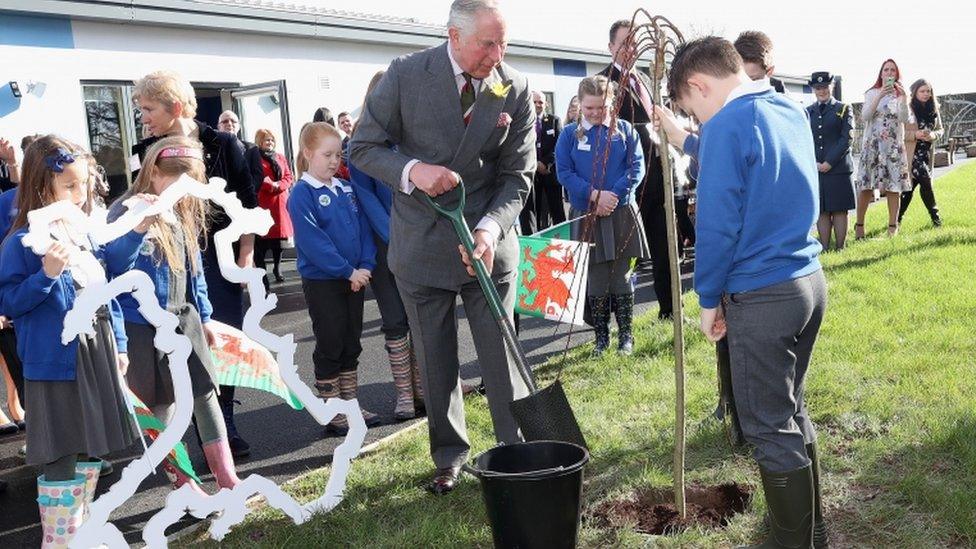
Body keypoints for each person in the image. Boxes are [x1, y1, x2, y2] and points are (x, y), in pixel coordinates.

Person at [350, 0, 534, 495]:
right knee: (436, 361)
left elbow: (518, 177)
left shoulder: (513, 87)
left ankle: (516, 453)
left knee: (501, 359)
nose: (497, 55)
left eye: (504, 43)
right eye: (486, 44)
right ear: (453, 36)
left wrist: (490, 230)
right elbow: (362, 148)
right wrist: (413, 173)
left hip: (487, 247)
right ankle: (449, 455)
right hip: (422, 246)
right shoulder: (405, 76)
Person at [668, 36, 828, 548]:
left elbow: (716, 226)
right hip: (807, 281)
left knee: (767, 426)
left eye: (692, 108)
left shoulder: (724, 127)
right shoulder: (789, 109)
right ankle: (812, 530)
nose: (697, 119)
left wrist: (708, 299)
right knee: (792, 409)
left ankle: (791, 542)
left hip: (761, 296)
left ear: (699, 84)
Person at [0, 135, 140, 545]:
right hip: (54, 358)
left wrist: (120, 344)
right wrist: (44, 275)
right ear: (44, 188)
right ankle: (58, 540)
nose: (80, 196)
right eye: (69, 186)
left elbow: (105, 285)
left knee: (89, 443)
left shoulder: (83, 233)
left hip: (95, 350)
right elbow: (8, 299)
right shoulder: (22, 239)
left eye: (84, 185)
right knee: (63, 447)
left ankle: (79, 530)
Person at [131, 70, 257, 457]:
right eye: (140, 110)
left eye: (148, 108)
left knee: (217, 339)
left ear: (176, 107)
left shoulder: (223, 144)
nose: (143, 117)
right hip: (168, 259)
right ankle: (181, 432)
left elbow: (248, 203)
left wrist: (246, 256)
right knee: (174, 346)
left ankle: (223, 425)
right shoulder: (145, 152)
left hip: (218, 259)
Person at [107, 135, 243, 494]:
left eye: (190, 185)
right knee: (159, 406)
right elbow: (114, 265)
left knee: (204, 393)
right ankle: (183, 484)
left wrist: (207, 316)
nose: (182, 193)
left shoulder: (183, 211)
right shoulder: (125, 209)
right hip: (141, 327)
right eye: (175, 182)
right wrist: (138, 228)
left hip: (184, 320)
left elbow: (193, 269)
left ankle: (227, 477)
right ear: (152, 172)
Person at [289, 122, 381, 434]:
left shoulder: (346, 189)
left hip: (356, 279)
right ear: (307, 153)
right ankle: (332, 411)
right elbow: (314, 242)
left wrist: (365, 266)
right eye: (327, 154)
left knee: (350, 342)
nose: (334, 161)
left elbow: (365, 231)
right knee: (330, 343)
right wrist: (347, 271)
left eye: (338, 155)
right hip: (325, 282)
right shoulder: (301, 194)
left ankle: (350, 405)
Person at [347, 71, 425, 421]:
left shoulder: (413, 136)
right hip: (384, 244)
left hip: (420, 237)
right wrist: (396, 236)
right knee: (394, 318)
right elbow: (365, 197)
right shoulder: (360, 143)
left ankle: (426, 388)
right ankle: (405, 395)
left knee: (423, 316)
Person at [556, 75, 648, 356]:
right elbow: (564, 172)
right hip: (587, 214)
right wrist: (595, 195)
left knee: (621, 275)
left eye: (602, 108)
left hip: (620, 211)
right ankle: (601, 338)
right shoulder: (569, 135)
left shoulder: (625, 131)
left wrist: (613, 195)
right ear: (580, 105)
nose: (596, 114)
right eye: (589, 109)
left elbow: (636, 168)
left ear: (613, 104)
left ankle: (626, 337)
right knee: (595, 279)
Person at [599, 18, 674, 320]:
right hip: (624, 180)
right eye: (624, 43)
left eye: (633, 42)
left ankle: (669, 308)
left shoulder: (644, 79)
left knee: (663, 244)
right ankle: (615, 320)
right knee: (621, 253)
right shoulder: (603, 82)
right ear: (610, 48)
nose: (631, 48)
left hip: (656, 176)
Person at [855, 59, 912, 238]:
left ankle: (892, 226)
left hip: (893, 148)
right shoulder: (871, 93)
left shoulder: (901, 95)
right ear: (881, 74)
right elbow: (865, 116)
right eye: (885, 70)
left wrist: (903, 99)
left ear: (897, 74)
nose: (888, 73)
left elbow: (904, 119)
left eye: (892, 70)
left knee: (894, 187)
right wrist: (879, 95)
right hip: (872, 146)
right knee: (866, 186)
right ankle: (859, 225)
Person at [806, 71, 856, 251]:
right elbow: (805, 139)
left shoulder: (843, 108)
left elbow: (847, 139)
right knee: (822, 210)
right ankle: (825, 248)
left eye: (825, 87)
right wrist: (815, 163)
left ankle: (840, 248)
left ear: (832, 86)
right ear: (813, 89)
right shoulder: (808, 112)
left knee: (840, 209)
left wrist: (829, 162)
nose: (822, 91)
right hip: (817, 168)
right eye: (818, 88)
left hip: (839, 168)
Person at [247, 128, 294, 285]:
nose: (270, 142)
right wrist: (270, 185)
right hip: (265, 203)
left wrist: (278, 185)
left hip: (280, 203)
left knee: (278, 241)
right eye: (267, 139)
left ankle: (277, 267)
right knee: (264, 240)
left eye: (272, 140)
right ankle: (264, 274)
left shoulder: (280, 157)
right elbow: (256, 177)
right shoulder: (255, 157)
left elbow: (289, 176)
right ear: (259, 141)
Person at [899, 79, 944, 227]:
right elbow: (899, 132)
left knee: (910, 188)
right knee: (925, 180)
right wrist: (915, 134)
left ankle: (896, 219)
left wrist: (932, 135)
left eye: (928, 91)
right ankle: (936, 218)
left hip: (925, 154)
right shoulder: (908, 109)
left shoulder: (934, 109)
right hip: (911, 155)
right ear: (915, 92)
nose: (926, 94)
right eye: (922, 91)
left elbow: (940, 130)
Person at [531, 90, 565, 230]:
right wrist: (535, 164)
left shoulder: (554, 120)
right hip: (532, 175)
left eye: (540, 102)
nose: (538, 105)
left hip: (550, 174)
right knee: (536, 214)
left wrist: (545, 163)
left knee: (557, 213)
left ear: (546, 104)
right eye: (535, 102)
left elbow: (559, 145)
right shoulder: (523, 121)